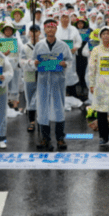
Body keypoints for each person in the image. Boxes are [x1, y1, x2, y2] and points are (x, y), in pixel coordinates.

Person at [31, 18, 72, 151]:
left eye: (53, 27)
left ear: (56, 29)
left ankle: (60, 138)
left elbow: (70, 60)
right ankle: (45, 138)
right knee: (43, 109)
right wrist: (34, 64)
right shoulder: (39, 45)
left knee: (59, 108)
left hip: (57, 81)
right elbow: (32, 61)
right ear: (44, 29)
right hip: (43, 81)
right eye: (48, 27)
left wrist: (65, 64)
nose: (50, 29)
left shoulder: (63, 45)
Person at [20, 25, 41, 132]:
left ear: (39, 33)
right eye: (32, 31)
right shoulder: (25, 47)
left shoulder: (43, 45)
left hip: (42, 75)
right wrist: (32, 63)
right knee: (30, 98)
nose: (33, 33)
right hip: (29, 75)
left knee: (39, 98)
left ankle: (42, 120)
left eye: (36, 31)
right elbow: (21, 61)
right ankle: (32, 121)